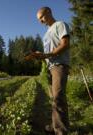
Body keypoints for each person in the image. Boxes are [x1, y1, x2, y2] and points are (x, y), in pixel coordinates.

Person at [26, 7, 70, 135]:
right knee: (54, 98)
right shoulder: (46, 34)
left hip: (59, 65)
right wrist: (39, 55)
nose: (41, 21)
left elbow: (65, 44)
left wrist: (47, 55)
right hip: (50, 67)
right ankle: (55, 124)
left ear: (49, 12)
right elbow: (48, 54)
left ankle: (60, 131)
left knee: (58, 98)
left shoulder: (60, 25)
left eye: (42, 17)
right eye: (39, 19)